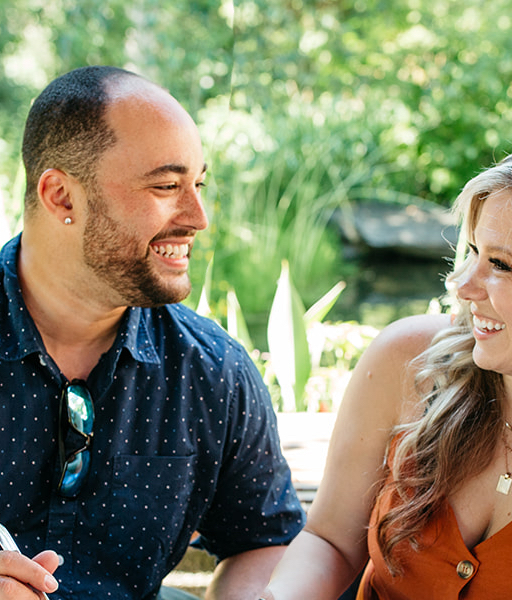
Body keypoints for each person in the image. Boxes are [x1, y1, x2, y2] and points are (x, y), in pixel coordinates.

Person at [0, 65, 305, 600]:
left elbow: (265, 539)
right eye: (166, 186)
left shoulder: (214, 371)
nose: (198, 216)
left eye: (199, 184)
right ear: (62, 197)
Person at [260, 138, 512, 600]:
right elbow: (330, 541)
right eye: (473, 252)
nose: (462, 285)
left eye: (500, 264)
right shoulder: (409, 360)